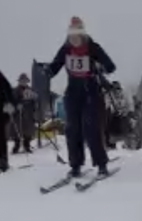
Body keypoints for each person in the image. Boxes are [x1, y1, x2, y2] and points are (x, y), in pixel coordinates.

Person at [46, 16, 116, 177]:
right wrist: (46, 71)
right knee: (72, 130)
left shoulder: (93, 47)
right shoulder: (65, 49)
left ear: (83, 35)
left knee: (91, 128)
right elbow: (55, 66)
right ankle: (76, 165)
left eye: (77, 35)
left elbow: (110, 66)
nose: (74, 38)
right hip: (72, 93)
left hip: (91, 92)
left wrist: (102, 66)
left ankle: (101, 164)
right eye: (72, 35)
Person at [12, 73, 37, 154]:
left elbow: (34, 101)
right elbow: (12, 100)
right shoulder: (15, 90)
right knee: (17, 131)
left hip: (28, 113)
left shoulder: (31, 90)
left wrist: (33, 108)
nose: (23, 82)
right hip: (18, 113)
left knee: (28, 131)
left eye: (25, 81)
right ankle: (17, 146)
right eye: (22, 80)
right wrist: (16, 106)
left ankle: (27, 146)